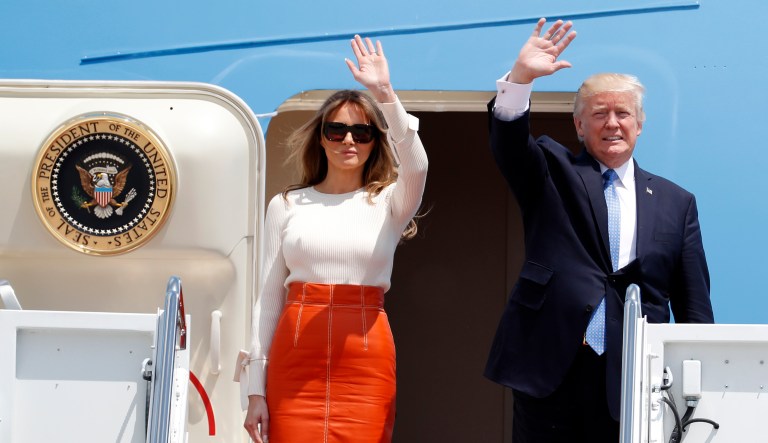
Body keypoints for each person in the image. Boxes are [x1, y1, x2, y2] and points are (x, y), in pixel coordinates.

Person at [484, 18, 714, 442]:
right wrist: (520, 80)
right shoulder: (552, 171)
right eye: (599, 113)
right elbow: (509, 145)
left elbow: (693, 304)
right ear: (578, 126)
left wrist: (698, 383)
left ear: (639, 125)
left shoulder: (676, 202)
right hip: (551, 369)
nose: (612, 123)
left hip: (637, 377)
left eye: (622, 113)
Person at [241, 34, 428, 443]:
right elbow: (268, 298)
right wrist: (255, 388)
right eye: (337, 129)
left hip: (365, 357)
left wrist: (385, 95)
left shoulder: (389, 202)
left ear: (375, 142)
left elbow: (417, 165)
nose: (348, 140)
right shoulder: (287, 204)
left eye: (362, 132)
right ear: (321, 137)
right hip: (294, 357)